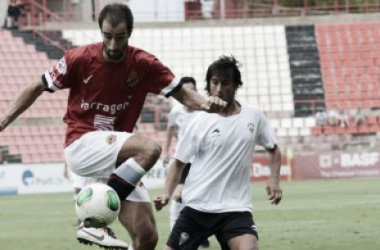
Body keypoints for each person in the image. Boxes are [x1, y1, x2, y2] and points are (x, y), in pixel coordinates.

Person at [0, 4, 226, 250]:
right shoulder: (79, 59)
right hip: (82, 143)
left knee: (147, 237)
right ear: (101, 32)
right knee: (149, 149)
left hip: (116, 161)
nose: (113, 45)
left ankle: (102, 207)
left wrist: (206, 105)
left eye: (120, 37)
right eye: (107, 37)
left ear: (130, 32)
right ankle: (94, 222)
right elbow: (37, 86)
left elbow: (181, 94)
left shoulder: (144, 64)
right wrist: (3, 121)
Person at [154, 55, 283, 250]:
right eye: (215, 82)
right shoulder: (199, 121)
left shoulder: (253, 115)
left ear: (236, 84)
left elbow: (273, 149)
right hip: (198, 206)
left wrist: (274, 179)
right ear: (208, 85)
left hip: (235, 208)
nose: (219, 89)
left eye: (225, 83)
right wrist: (166, 194)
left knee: (250, 248)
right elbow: (179, 162)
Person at [163, 76, 210, 248]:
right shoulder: (176, 112)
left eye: (192, 89)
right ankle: (174, 232)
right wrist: (165, 151)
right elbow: (170, 130)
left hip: (201, 160)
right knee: (177, 196)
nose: (189, 93)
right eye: (186, 89)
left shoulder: (203, 111)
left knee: (196, 198)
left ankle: (199, 234)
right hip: (183, 160)